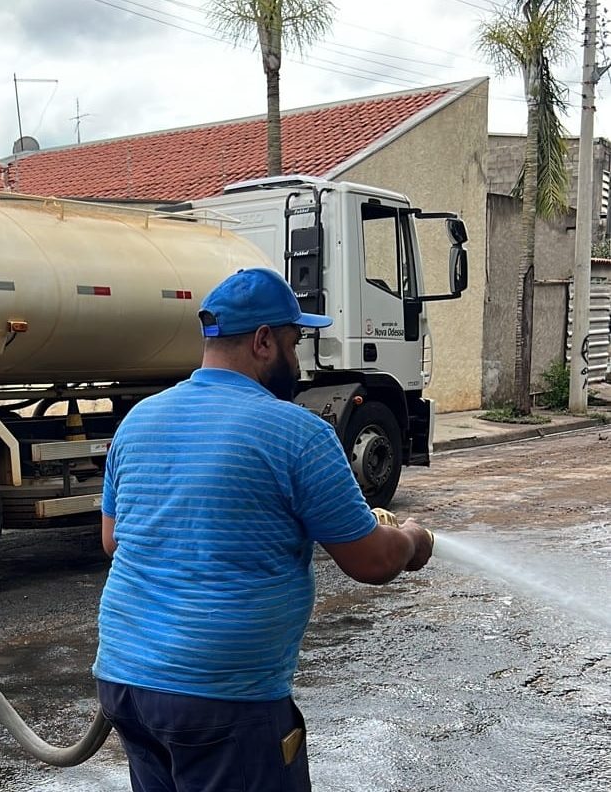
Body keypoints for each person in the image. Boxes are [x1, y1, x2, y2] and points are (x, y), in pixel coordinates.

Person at [93, 267, 434, 792]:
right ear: (262, 341)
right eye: (294, 342)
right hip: (222, 699)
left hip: (125, 684)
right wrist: (413, 538)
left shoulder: (139, 419)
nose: (297, 360)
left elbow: (114, 540)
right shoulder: (296, 431)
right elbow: (373, 562)